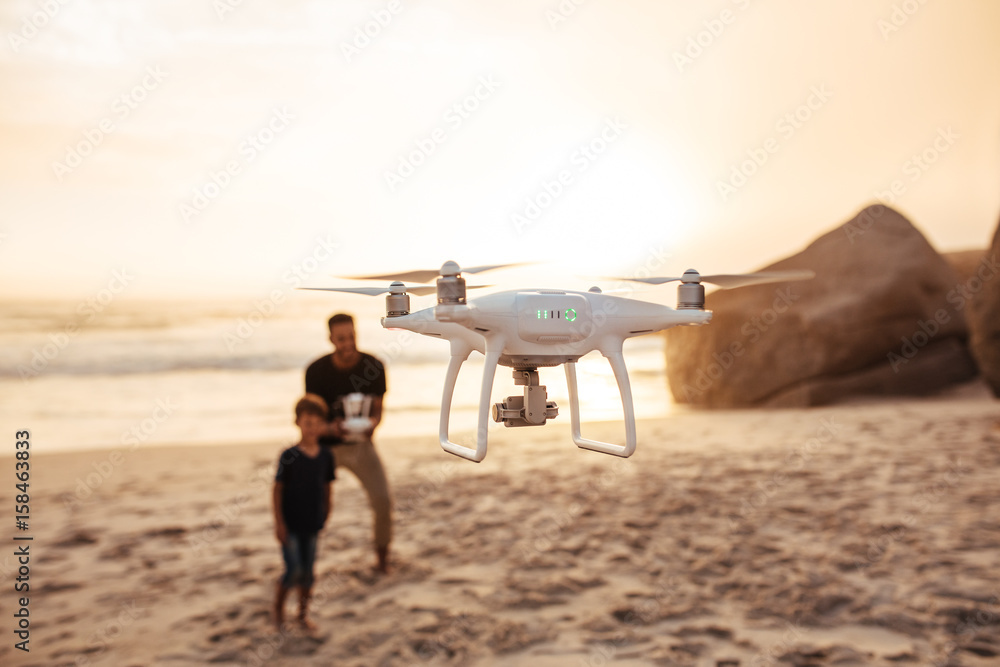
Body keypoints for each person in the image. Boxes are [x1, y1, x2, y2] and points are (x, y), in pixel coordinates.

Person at [305, 313, 393, 574]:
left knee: (383, 501)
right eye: (341, 338)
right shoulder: (316, 371)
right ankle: (307, 564)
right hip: (325, 448)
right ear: (331, 339)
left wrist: (371, 425)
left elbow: (377, 412)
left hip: (360, 446)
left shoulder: (373, 366)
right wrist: (333, 428)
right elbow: (310, 423)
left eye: (351, 336)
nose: (347, 343)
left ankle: (382, 561)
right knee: (318, 511)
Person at [272, 394, 336, 630]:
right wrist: (279, 523)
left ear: (323, 425)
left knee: (309, 573)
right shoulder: (288, 456)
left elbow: (328, 487)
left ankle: (302, 614)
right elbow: (277, 490)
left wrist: (327, 513)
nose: (312, 427)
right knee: (293, 570)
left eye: (317, 423)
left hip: (313, 523)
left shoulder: (326, 456)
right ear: (297, 422)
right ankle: (278, 611)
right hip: (290, 524)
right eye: (307, 422)